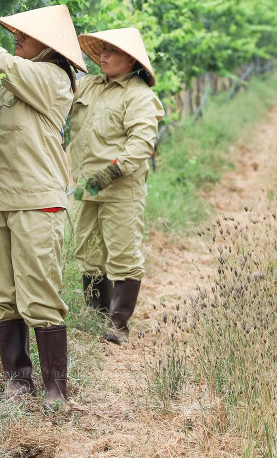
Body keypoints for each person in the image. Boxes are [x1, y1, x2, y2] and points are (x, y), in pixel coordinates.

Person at [0, 4, 87, 410]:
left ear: (48, 47)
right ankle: (17, 381)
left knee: (39, 294)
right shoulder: (11, 81)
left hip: (36, 201)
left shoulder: (52, 79)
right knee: (1, 293)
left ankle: (56, 390)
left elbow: (3, 64)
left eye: (24, 35)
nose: (16, 39)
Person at [69, 28, 164, 345]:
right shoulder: (89, 86)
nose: (104, 56)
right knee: (87, 252)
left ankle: (119, 324)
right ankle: (96, 318)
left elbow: (140, 145)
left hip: (119, 188)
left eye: (113, 52)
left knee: (122, 253)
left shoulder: (139, 96)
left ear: (131, 61)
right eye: (103, 51)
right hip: (86, 187)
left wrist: (109, 174)